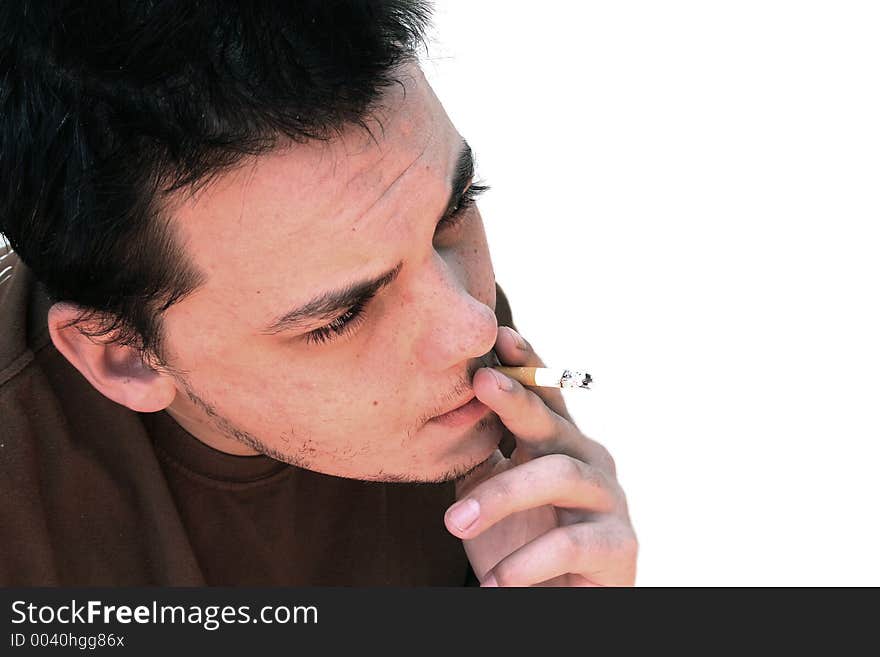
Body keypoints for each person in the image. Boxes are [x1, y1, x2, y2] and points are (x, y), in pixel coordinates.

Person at [0, 1, 637, 586]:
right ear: (126, 357)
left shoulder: (448, 320)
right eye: (343, 316)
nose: (471, 326)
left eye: (453, 212)